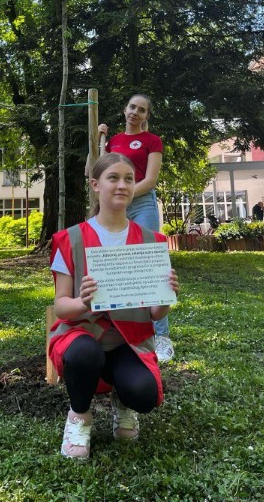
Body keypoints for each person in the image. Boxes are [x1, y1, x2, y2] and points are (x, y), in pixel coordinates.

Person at [49, 152, 179, 459]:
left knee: (144, 394)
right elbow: (61, 308)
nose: (122, 185)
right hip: (82, 336)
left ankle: (123, 403)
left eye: (129, 179)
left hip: (127, 342)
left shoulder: (151, 241)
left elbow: (155, 313)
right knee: (83, 353)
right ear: (95, 184)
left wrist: (166, 296)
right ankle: (79, 417)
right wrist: (82, 302)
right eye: (113, 178)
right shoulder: (71, 238)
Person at [98, 94, 174, 363]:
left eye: (141, 110)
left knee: (150, 264)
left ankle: (162, 337)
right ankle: (123, 333)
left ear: (146, 116)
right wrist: (101, 140)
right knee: (117, 263)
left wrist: (125, 195)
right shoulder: (114, 141)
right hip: (116, 205)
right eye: (132, 107)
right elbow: (99, 171)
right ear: (125, 109)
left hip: (141, 204)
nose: (135, 112)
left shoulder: (152, 141)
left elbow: (150, 180)